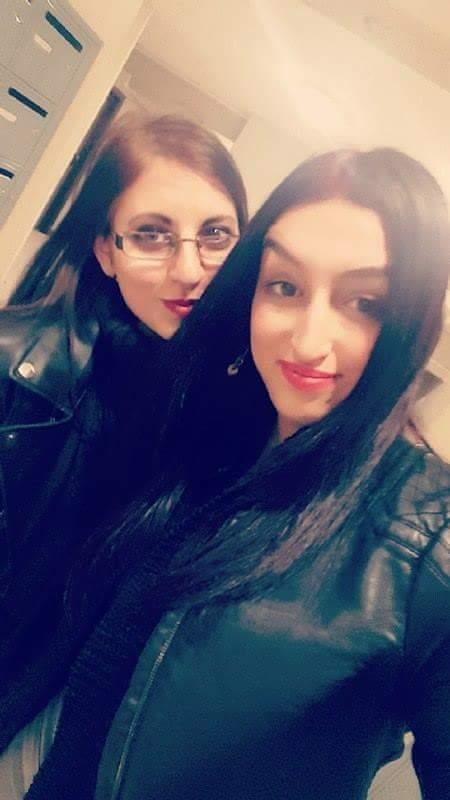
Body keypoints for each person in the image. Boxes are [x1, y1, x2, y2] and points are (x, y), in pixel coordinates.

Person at [6, 147, 450, 800]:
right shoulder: (211, 438)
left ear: (413, 320)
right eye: (285, 287)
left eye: (365, 302)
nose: (308, 341)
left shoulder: (425, 541)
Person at [0, 111, 247, 685]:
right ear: (106, 252)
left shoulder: (238, 407)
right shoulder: (15, 367)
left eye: (215, 234)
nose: (190, 270)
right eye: (151, 235)